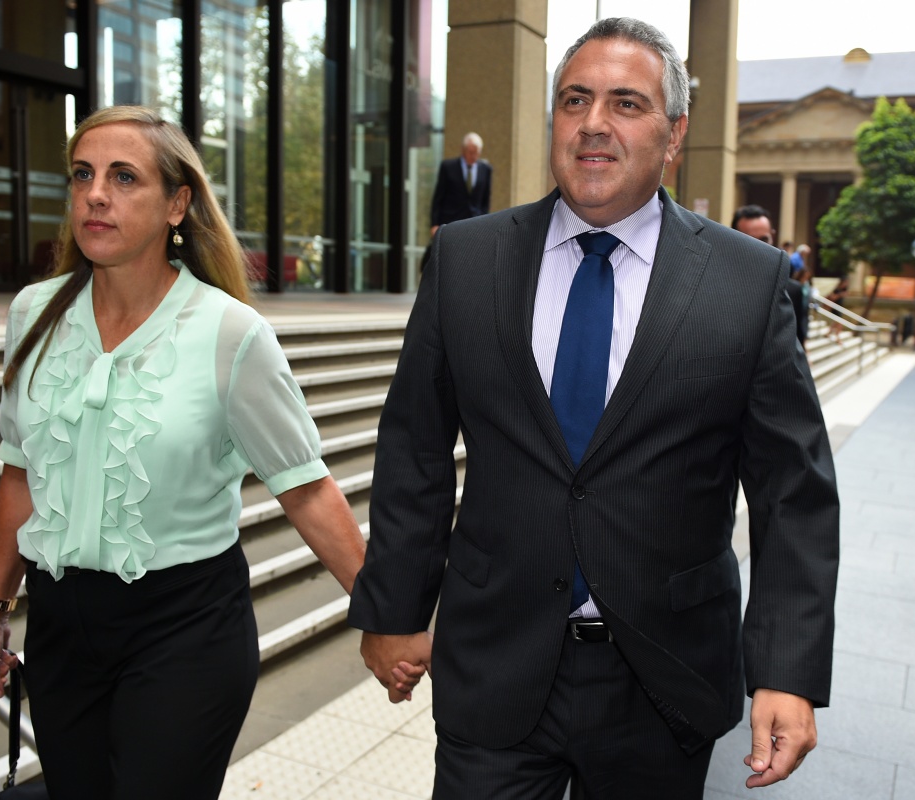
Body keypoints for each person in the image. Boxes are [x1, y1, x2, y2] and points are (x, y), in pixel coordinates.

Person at [350, 17, 839, 799]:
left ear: (675, 135)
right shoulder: (466, 261)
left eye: (626, 103)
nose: (594, 123)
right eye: (575, 100)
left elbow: (794, 494)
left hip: (663, 681)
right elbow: (414, 450)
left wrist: (786, 669)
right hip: (496, 666)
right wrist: (393, 607)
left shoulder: (747, 283)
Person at [0, 105, 367, 800]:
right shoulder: (32, 312)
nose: (96, 194)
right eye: (83, 175)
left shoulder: (230, 333)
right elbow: (21, 472)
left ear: (177, 204)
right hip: (60, 629)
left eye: (124, 177)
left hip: (186, 629)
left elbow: (305, 488)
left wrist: (385, 617)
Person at [732, 205, 809, 346]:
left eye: (763, 240)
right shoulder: (715, 288)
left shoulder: (792, 291)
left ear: (772, 236)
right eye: (747, 240)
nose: (758, 248)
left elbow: (797, 341)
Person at [430, 132, 493, 235]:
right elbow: (438, 197)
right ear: (463, 150)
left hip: (475, 224)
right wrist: (434, 224)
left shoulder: (486, 169)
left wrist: (484, 221)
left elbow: (485, 200)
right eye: (470, 152)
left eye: (476, 152)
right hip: (451, 222)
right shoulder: (448, 167)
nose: (473, 156)